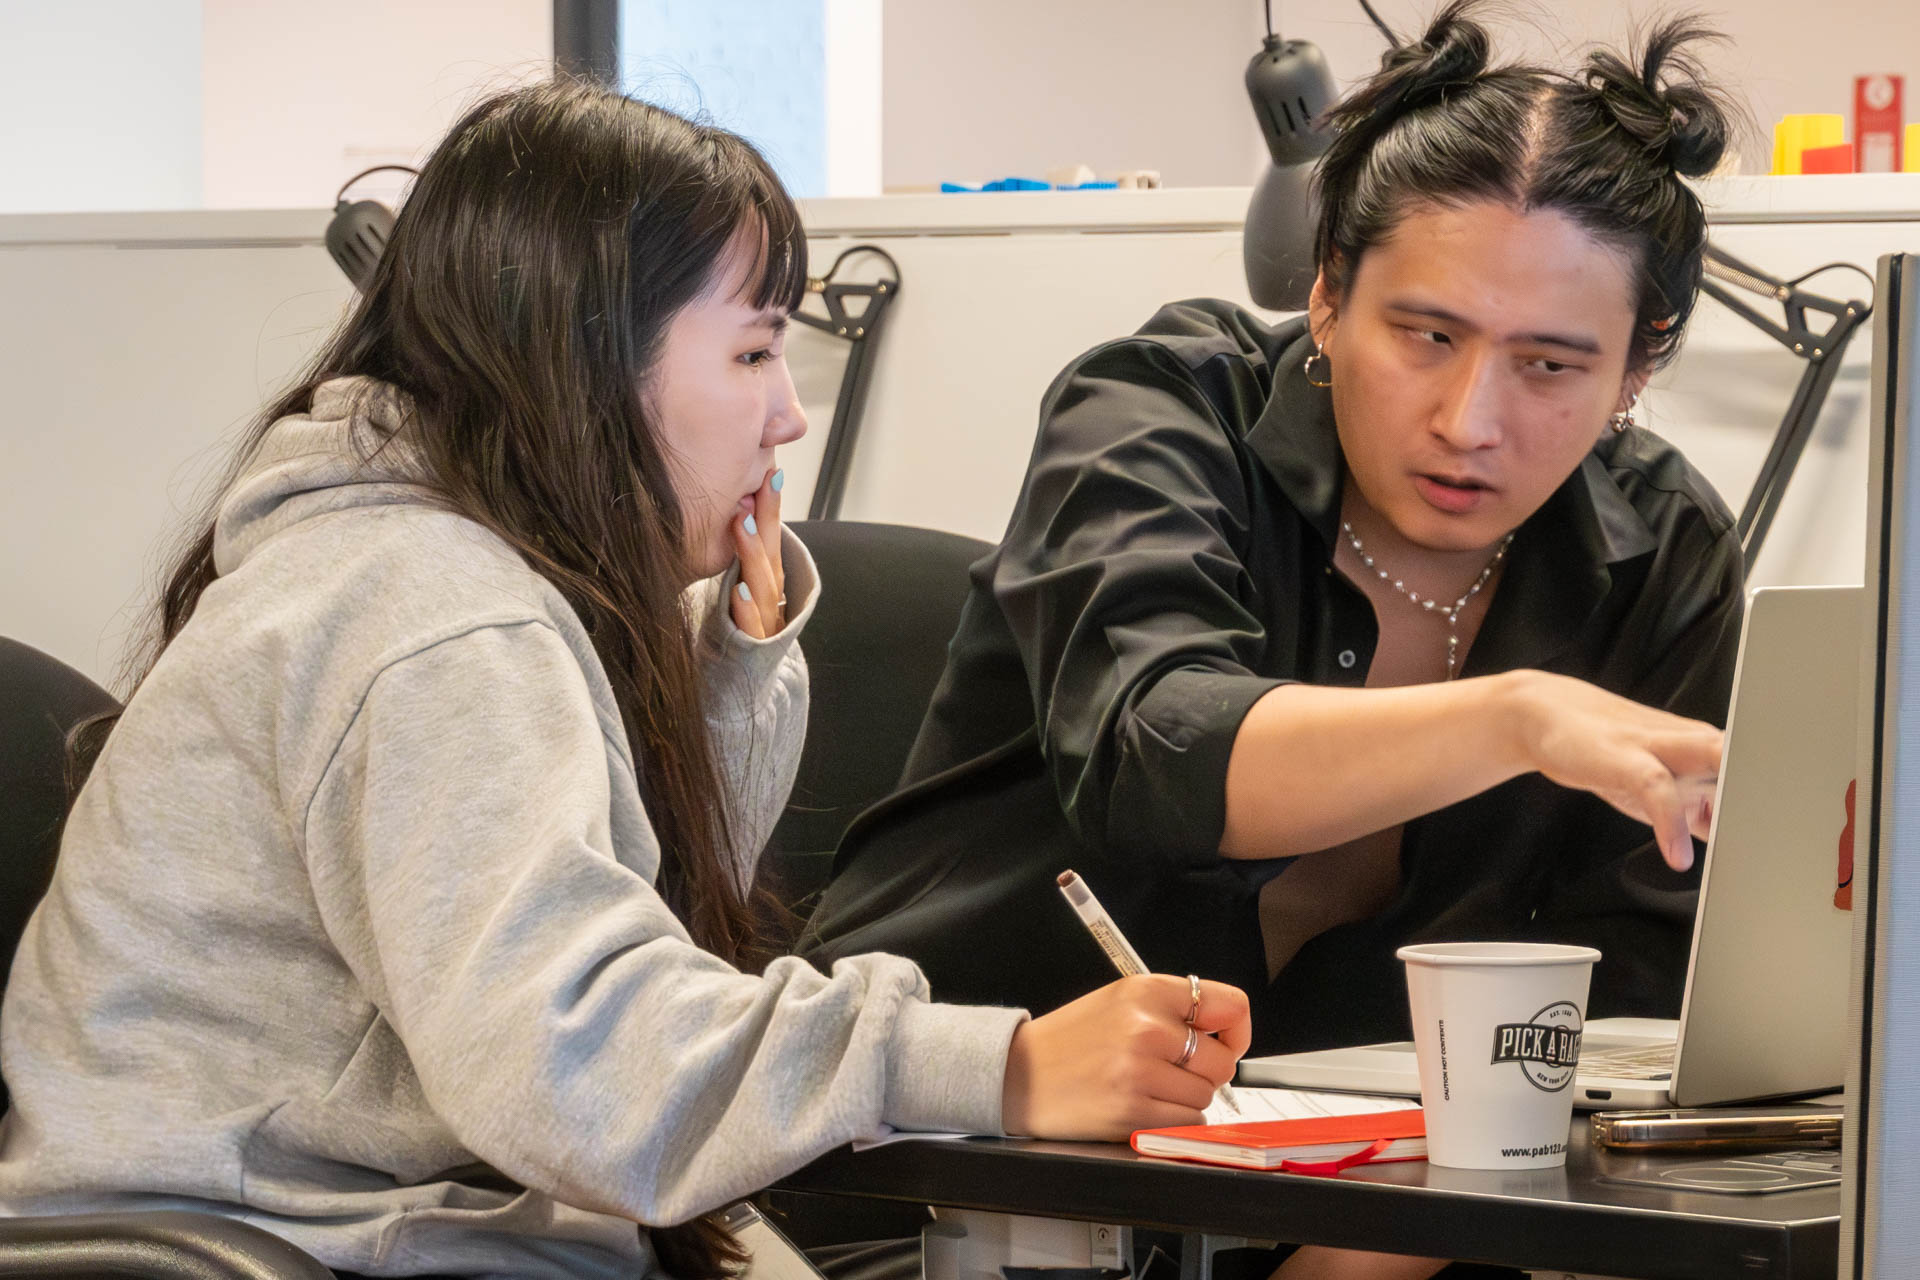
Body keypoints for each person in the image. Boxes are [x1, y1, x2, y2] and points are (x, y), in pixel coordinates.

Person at [0, 82, 1252, 1280]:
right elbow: (581, 1055)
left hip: (355, 1226)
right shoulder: (431, 611)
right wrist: (1002, 1065)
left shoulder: (446, 571)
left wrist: (730, 675)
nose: (787, 418)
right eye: (757, 351)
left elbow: (628, 935)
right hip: (296, 1239)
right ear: (594, 359)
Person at [802, 3, 1744, 1067]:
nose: (1468, 420)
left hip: (1381, 1189)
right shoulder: (1159, 409)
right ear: (1331, 291)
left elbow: (1617, 1012)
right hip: (943, 1153)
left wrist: (1330, 1240)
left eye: (1551, 366)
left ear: (1637, 368)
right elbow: (1157, 752)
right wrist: (1521, 718)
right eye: (1427, 335)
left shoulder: (1664, 548)